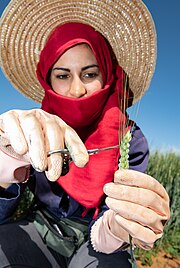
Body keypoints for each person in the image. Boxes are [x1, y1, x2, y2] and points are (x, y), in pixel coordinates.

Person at [0, 0, 170, 267]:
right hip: (42, 229)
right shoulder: (33, 130)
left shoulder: (130, 139)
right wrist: (3, 169)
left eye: (89, 73)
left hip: (103, 240)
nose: (77, 90)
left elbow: (115, 221)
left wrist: (116, 227)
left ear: (107, 75)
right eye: (63, 75)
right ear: (48, 80)